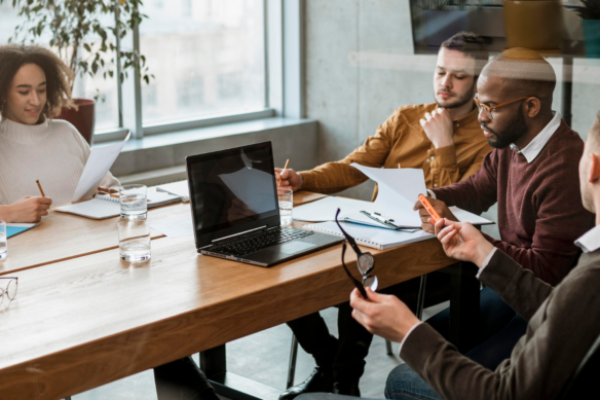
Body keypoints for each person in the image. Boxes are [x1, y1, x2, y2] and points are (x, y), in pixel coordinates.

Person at [295, 109, 600, 400]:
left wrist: (407, 330)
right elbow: (554, 308)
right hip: (491, 277)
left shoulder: (590, 274)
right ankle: (334, 368)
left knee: (397, 378)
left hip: (443, 281)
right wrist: (483, 251)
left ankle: (339, 375)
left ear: (593, 165)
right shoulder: (590, 268)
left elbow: (505, 393)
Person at [277, 32, 492, 399]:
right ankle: (327, 360)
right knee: (286, 274)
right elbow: (352, 168)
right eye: (440, 71)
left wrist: (443, 146)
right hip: (377, 240)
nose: (445, 82)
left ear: (478, 81)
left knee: (362, 279)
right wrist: (303, 179)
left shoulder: (487, 139)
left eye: (459, 76)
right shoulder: (406, 118)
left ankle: (345, 383)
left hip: (435, 258)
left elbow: (453, 206)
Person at [407, 47, 595, 372]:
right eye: (480, 105)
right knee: (424, 345)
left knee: (415, 376)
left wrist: (477, 244)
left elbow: (546, 273)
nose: (481, 117)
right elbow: (475, 190)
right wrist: (429, 196)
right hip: (511, 288)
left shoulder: (565, 166)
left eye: (490, 107)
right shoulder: (511, 145)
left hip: (546, 306)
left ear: (531, 106)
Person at [0, 44, 117, 221]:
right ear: (3, 94)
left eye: (41, 89)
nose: (36, 100)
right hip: (35, 248)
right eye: (24, 91)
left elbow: (114, 188)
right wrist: (9, 213)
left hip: (90, 244)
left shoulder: (66, 131)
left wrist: (106, 195)